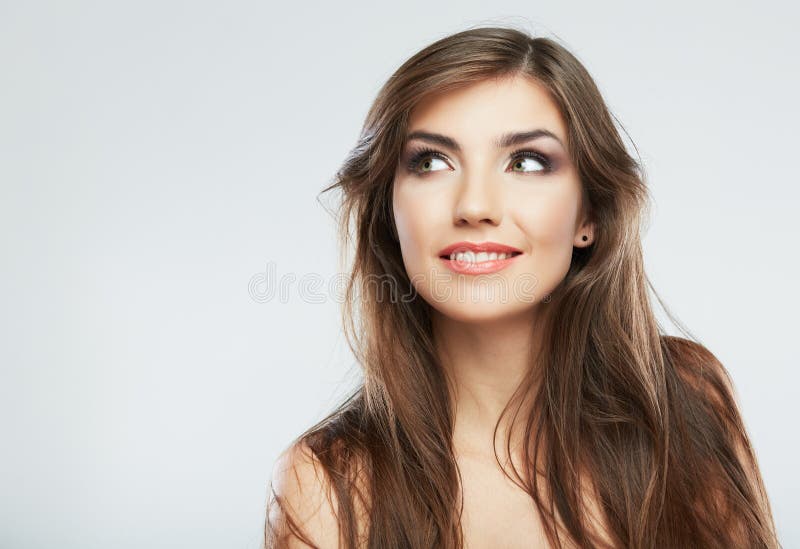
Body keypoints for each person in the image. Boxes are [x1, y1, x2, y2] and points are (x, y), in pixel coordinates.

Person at [264, 26, 780, 549]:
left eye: (526, 162)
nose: (474, 207)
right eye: (431, 162)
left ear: (590, 214)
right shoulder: (328, 484)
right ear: (390, 214)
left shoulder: (686, 402)